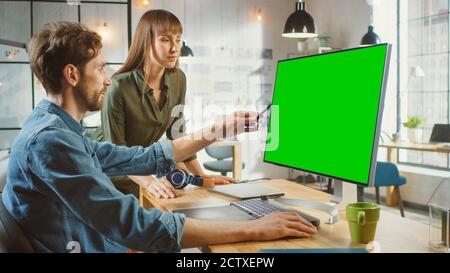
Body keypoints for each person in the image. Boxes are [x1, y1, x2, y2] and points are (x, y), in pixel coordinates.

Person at [1, 21, 317, 253]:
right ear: (72, 75)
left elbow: (140, 157)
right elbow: (131, 224)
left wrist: (216, 130)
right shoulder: (50, 142)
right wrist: (252, 230)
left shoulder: (58, 130)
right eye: (99, 69)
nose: (107, 80)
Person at [94, 10, 233, 199]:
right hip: (108, 173)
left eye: (178, 39)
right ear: (146, 41)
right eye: (166, 40)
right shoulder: (119, 85)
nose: (175, 48)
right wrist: (148, 180)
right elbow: (115, 152)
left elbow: (177, 134)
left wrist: (201, 176)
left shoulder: (178, 79)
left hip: (141, 171)